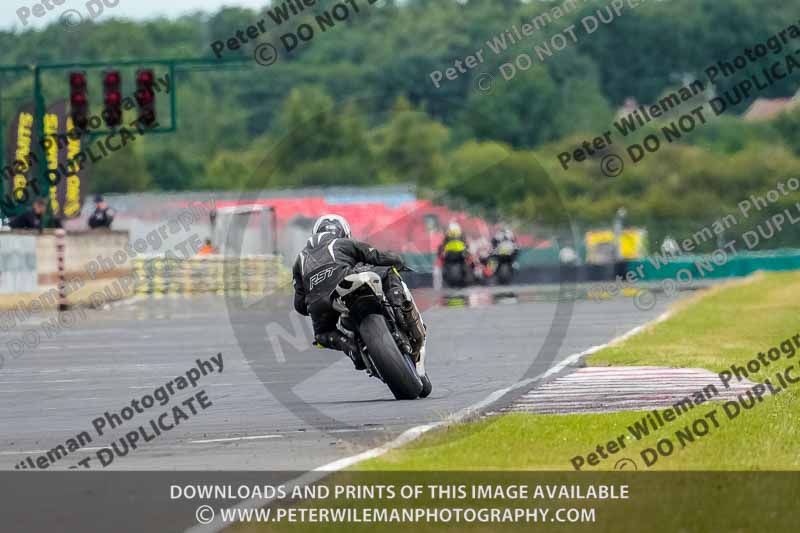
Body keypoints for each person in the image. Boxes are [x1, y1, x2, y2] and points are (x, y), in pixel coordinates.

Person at [292, 214, 410, 369]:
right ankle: (401, 313)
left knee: (322, 335)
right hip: (346, 283)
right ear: (344, 231)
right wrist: (398, 260)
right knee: (388, 271)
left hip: (319, 303)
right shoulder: (344, 243)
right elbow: (377, 256)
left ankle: (351, 349)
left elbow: (300, 304)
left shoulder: (300, 259)